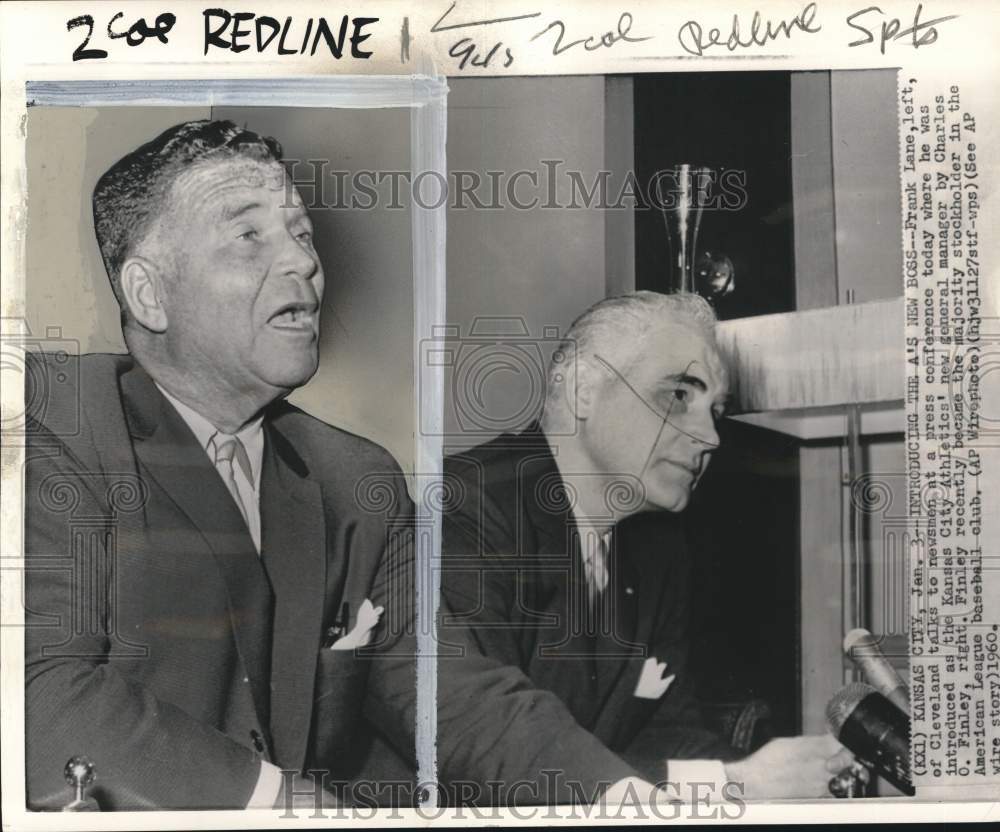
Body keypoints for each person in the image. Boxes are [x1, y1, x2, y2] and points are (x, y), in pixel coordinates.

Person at [22, 120, 644, 811]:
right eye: (249, 236)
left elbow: (453, 694)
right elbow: (33, 696)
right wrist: (287, 804)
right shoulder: (53, 420)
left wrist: (625, 799)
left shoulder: (357, 481)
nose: (302, 263)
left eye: (302, 233)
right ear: (149, 294)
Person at [439, 291, 853, 801]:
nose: (710, 437)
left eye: (714, 411)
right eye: (678, 395)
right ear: (585, 389)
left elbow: (662, 735)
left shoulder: (657, 551)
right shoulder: (466, 504)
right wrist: (731, 785)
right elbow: (485, 740)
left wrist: (757, 776)